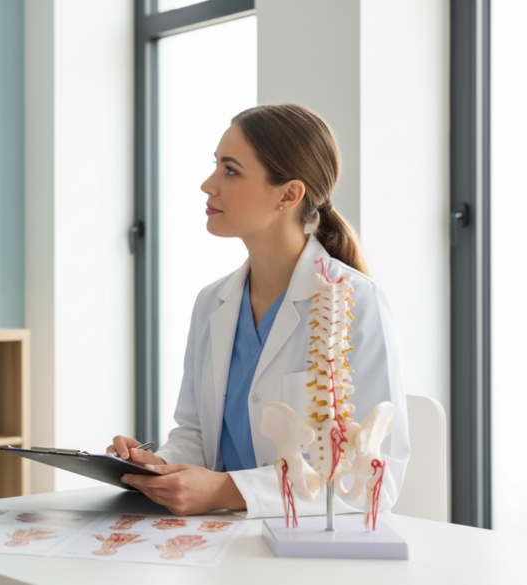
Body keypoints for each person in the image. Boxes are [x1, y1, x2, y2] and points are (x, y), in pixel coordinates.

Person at [110, 104, 409, 519]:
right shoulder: (211, 303)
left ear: (288, 195)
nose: (207, 184)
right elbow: (195, 434)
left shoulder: (357, 302)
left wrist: (227, 491)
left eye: (230, 170)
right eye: (215, 165)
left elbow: (376, 478)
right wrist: (160, 467)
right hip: (216, 540)